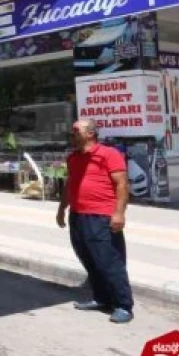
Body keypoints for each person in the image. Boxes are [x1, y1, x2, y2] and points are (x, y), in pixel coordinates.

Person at [57, 119, 134, 324]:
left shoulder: (109, 154)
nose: (71, 133)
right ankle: (102, 298)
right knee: (89, 259)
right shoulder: (73, 158)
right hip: (78, 215)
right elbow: (70, 184)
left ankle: (123, 305)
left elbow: (122, 184)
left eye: (75, 130)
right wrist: (61, 209)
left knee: (109, 261)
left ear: (90, 133)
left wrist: (119, 213)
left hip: (101, 216)